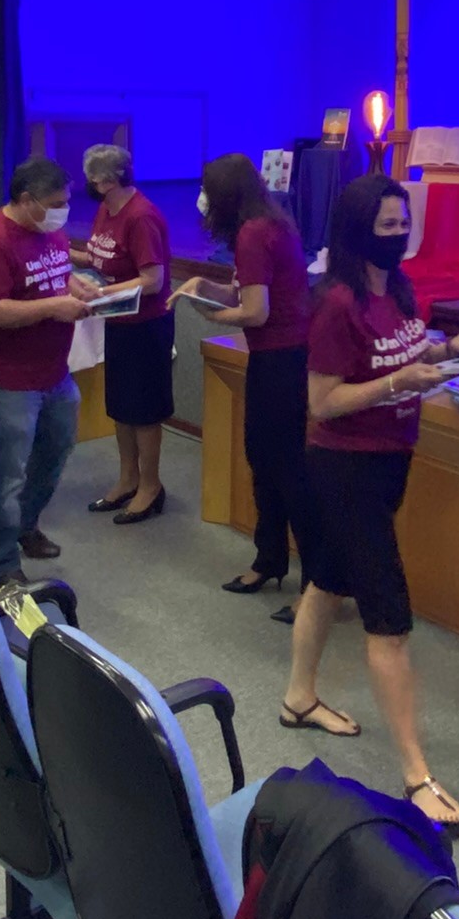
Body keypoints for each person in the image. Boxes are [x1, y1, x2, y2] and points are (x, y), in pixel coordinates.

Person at [281, 173, 459, 834]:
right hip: (346, 468)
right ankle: (416, 775)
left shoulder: (397, 289)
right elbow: (323, 401)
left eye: (405, 224)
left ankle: (297, 698)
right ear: (357, 231)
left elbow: (397, 353)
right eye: (387, 226)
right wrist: (399, 382)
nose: (399, 235)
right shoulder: (335, 302)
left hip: (389, 461)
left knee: (327, 579)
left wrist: (446, 351)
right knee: (389, 622)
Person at [174, 152, 320, 600]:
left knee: (286, 470)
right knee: (265, 462)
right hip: (281, 357)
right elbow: (245, 292)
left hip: (280, 361)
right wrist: (204, 288)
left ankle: (316, 585)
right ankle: (269, 559)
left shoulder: (254, 234)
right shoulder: (268, 224)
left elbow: (255, 312)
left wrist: (209, 315)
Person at [0, 156, 98, 612]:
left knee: (56, 450)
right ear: (26, 200)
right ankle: (1, 566)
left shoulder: (49, 231)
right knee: (8, 474)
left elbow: (54, 274)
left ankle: (25, 524)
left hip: (54, 372)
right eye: (56, 203)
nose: (63, 210)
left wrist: (75, 285)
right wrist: (53, 307)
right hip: (9, 379)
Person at [79, 143, 173, 525]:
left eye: (91, 178)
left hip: (146, 326)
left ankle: (150, 486)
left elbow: (153, 280)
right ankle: (127, 479)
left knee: (144, 411)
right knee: (121, 408)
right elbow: (101, 258)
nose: (88, 185)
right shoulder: (107, 209)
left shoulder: (141, 216)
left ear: (107, 181)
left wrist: (100, 292)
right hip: (117, 322)